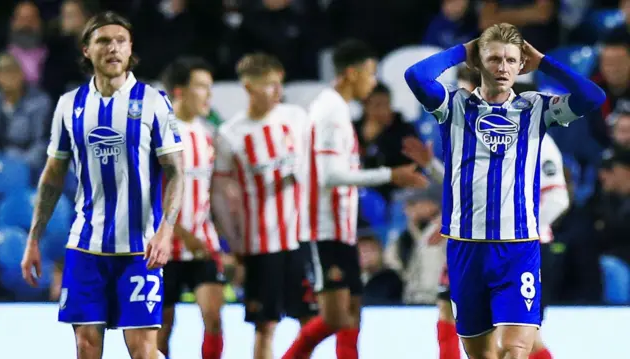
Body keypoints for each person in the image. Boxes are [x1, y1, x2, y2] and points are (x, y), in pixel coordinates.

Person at [403, 23, 604, 358]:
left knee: (515, 350)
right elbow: (416, 76)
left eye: (512, 59)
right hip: (466, 250)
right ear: (478, 63)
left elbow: (592, 97)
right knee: (482, 354)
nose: (503, 67)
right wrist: (462, 51)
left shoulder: (536, 109)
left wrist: (544, 62)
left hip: (518, 249)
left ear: (521, 64)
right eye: (494, 58)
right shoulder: (454, 107)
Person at [20, 11, 184, 359]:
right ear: (86, 50)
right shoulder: (69, 105)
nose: (113, 48)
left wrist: (166, 230)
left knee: (141, 350)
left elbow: (176, 172)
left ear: (130, 49)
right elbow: (52, 175)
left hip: (140, 248)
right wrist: (34, 238)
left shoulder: (154, 101)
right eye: (103, 41)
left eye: (120, 41)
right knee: (86, 346)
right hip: (86, 245)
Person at [282, 39, 429, 359]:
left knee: (353, 313)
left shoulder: (336, 109)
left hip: (341, 229)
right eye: (370, 73)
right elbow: (330, 175)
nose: (373, 81)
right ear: (351, 73)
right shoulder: (330, 111)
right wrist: (391, 175)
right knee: (335, 317)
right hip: (324, 230)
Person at [404, 132, 569, 359]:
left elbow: (557, 200)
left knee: (518, 339)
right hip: (476, 245)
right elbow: (469, 187)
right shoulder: (480, 129)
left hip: (521, 250)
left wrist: (512, 234)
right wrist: (431, 166)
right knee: (449, 311)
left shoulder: (537, 136)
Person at [212, 53, 317, 359]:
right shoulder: (231, 134)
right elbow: (219, 193)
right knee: (265, 325)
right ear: (248, 87)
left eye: (278, 85)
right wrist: (234, 241)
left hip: (301, 237)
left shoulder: (296, 117)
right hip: (260, 244)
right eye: (267, 86)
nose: (275, 92)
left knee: (309, 320)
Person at [158, 57, 224, 359]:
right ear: (180, 91)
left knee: (213, 317)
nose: (209, 95)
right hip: (166, 246)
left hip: (202, 242)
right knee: (162, 327)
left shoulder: (206, 132)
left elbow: (210, 191)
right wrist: (184, 235)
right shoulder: (158, 133)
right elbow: (151, 196)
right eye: (201, 87)